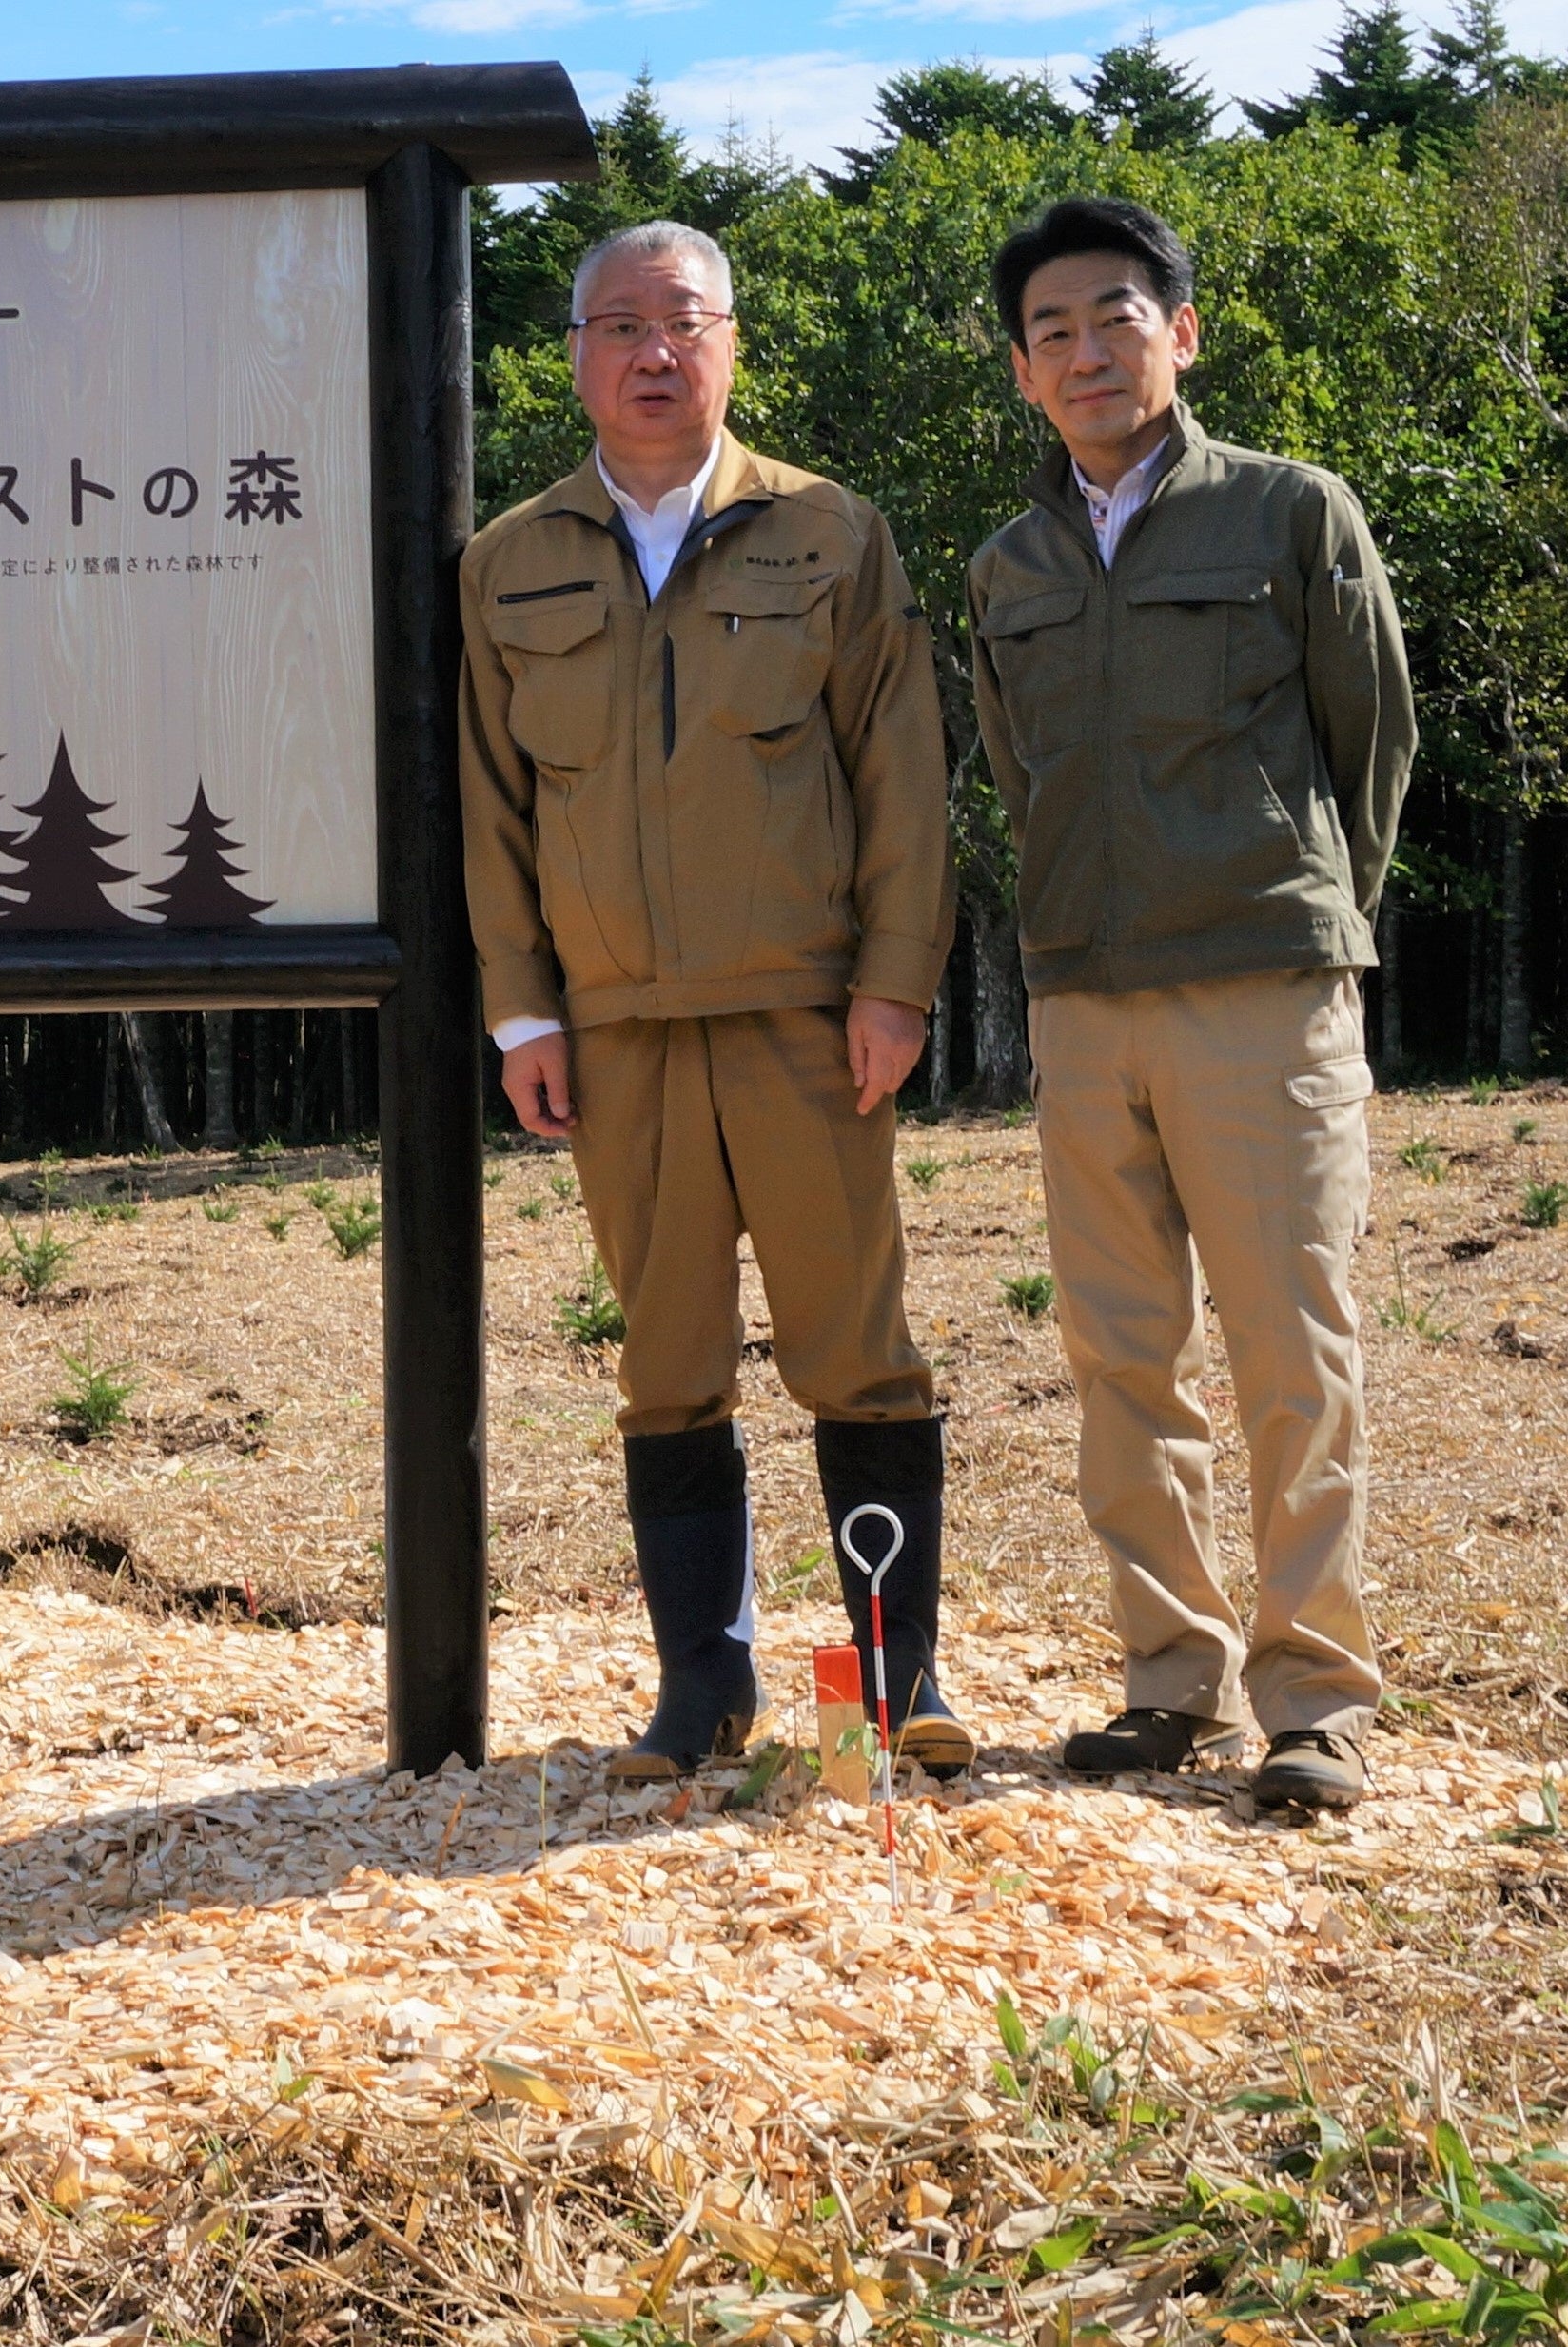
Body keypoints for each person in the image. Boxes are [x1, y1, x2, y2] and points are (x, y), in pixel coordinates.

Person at [460, 220, 966, 1784]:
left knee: (855, 1351)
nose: (654, 354)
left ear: (732, 343)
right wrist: (522, 1015)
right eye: (621, 326)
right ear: (578, 358)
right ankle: (704, 1688)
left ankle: (899, 1679)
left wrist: (895, 985)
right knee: (666, 1363)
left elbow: (901, 777)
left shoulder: (830, 530)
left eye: (684, 324)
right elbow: (488, 810)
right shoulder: (509, 562)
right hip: (613, 1033)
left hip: (807, 1018)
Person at [968, 197, 1410, 1812]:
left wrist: (1297, 902)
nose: (1089, 352)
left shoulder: (1292, 515)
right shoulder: (1004, 566)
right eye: (1054, 332)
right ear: (1022, 372)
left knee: (1295, 1348)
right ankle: (1170, 1682)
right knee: (1120, 1357)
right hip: (1086, 1004)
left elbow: (1372, 745)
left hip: (1262, 993)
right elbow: (1022, 780)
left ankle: (1314, 1701)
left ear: (1182, 332)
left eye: (1117, 316)